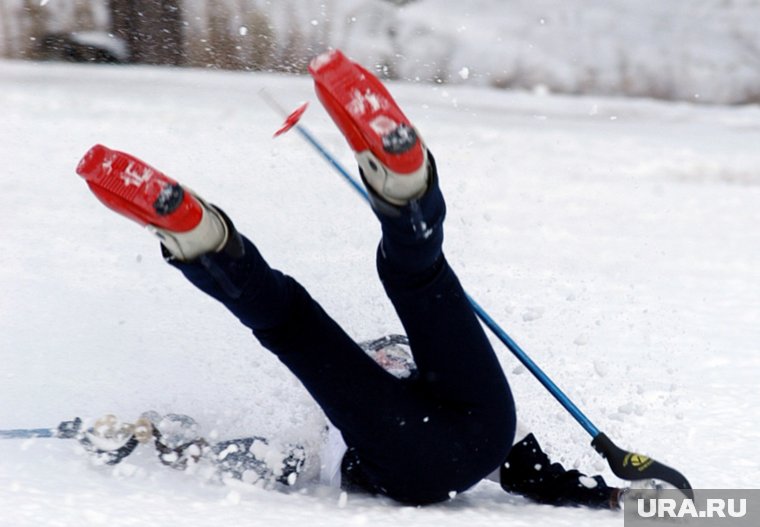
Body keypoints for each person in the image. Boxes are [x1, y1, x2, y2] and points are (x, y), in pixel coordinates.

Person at [75, 50, 621, 509]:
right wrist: (639, 504)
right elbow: (541, 477)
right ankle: (403, 189)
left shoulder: (329, 433)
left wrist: (169, 440)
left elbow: (266, 460)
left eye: (385, 354)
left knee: (301, 316)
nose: (384, 360)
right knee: (416, 276)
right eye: (388, 354)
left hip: (424, 463)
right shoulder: (385, 421)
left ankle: (204, 239)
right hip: (484, 431)